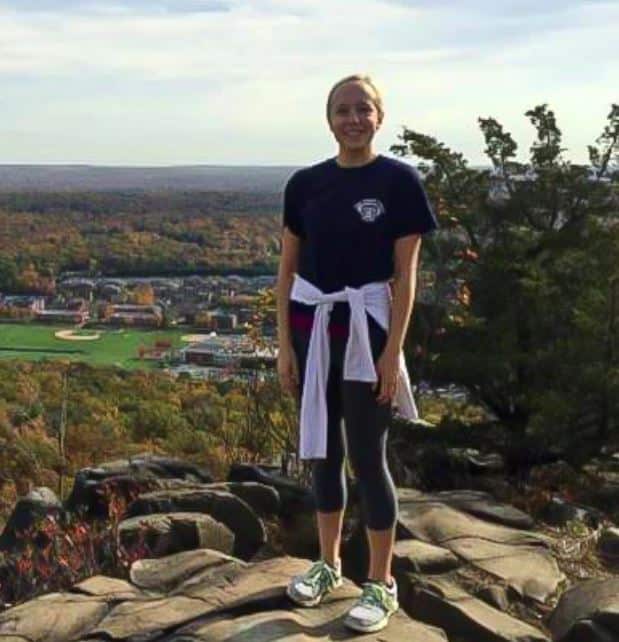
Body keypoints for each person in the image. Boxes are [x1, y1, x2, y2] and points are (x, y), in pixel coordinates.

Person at [275, 73, 439, 633]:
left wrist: (393, 353)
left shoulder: (399, 182)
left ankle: (380, 583)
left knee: (368, 456)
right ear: (329, 119)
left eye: (362, 109)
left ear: (379, 116)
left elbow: (406, 277)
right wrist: (284, 348)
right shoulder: (305, 185)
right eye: (342, 110)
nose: (352, 119)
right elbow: (287, 270)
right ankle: (327, 566)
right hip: (311, 324)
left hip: (368, 327)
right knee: (321, 452)